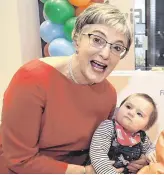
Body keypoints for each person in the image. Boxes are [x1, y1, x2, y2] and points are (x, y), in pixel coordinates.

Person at [0, 2, 146, 174]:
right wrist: (84, 172)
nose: (106, 54)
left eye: (117, 47)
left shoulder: (108, 94)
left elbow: (104, 145)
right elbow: (19, 160)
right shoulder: (32, 79)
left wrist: (133, 159)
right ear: (76, 38)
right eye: (97, 40)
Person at [90, 93, 158, 174]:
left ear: (146, 126)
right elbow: (98, 154)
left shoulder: (142, 137)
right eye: (128, 107)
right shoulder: (108, 127)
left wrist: (150, 154)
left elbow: (150, 148)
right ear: (119, 108)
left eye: (139, 114)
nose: (131, 113)